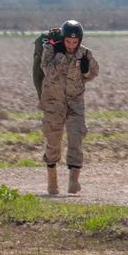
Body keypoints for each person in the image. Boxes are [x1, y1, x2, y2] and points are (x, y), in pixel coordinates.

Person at [38, 19, 99, 195]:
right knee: (53, 141)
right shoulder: (50, 50)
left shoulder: (85, 53)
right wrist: (59, 54)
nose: (71, 45)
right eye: (68, 41)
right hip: (53, 103)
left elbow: (93, 73)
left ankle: (74, 180)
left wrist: (86, 69)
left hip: (75, 103)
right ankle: (52, 180)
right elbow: (47, 71)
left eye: (75, 42)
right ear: (63, 39)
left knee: (76, 139)